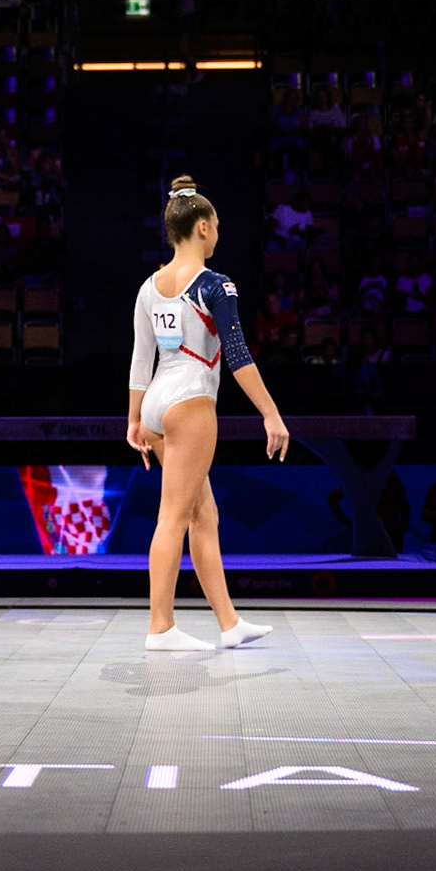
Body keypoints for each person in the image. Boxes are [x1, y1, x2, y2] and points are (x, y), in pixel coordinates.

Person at [127, 176, 290, 651]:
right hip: (191, 401)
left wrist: (135, 419)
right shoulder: (215, 285)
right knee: (173, 516)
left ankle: (229, 623)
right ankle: (160, 626)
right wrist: (271, 413)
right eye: (216, 225)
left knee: (204, 514)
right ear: (202, 227)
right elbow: (237, 354)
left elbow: (141, 360)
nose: (219, 233)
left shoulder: (149, 286)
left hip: (159, 399)